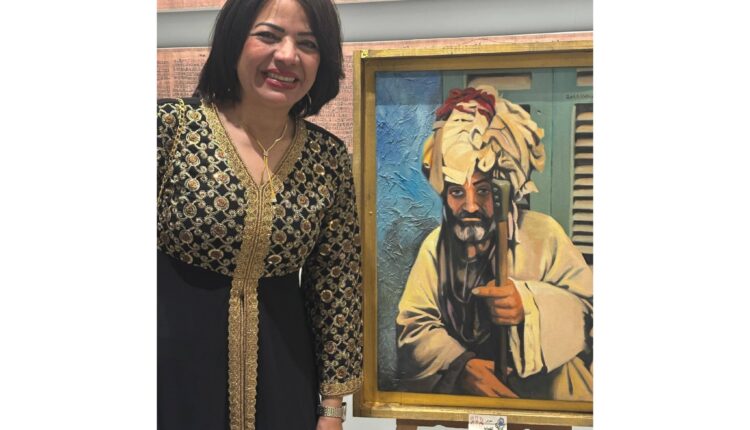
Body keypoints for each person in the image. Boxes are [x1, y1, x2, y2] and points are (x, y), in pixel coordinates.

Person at [157, 1, 362, 429]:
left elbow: (337, 285)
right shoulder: (169, 129)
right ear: (234, 41)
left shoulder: (327, 158)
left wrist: (332, 409)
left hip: (284, 376)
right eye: (268, 36)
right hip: (172, 372)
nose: (287, 55)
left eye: (308, 44)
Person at [396, 86, 593, 401]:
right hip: (466, 399)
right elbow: (414, 325)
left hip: (546, 396)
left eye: (483, 190)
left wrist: (529, 305)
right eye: (457, 191)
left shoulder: (545, 234)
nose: (470, 206)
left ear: (506, 189)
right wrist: (461, 364)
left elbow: (590, 314)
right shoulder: (436, 246)